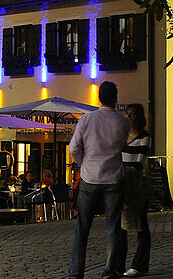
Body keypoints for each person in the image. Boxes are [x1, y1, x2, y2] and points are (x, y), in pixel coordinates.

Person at [67, 80, 130, 279]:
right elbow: (122, 145)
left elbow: (73, 148)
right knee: (113, 227)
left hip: (90, 177)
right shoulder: (124, 122)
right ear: (116, 98)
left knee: (82, 228)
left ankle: (76, 272)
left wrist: (83, 163)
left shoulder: (86, 120)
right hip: (113, 178)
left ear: (98, 97)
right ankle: (109, 271)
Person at [119, 103, 152, 277]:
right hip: (121, 183)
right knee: (120, 226)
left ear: (139, 117)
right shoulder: (122, 136)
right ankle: (119, 264)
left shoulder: (145, 137)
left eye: (133, 114)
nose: (129, 117)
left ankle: (140, 264)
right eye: (127, 114)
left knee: (140, 225)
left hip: (136, 184)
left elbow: (138, 162)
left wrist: (120, 166)